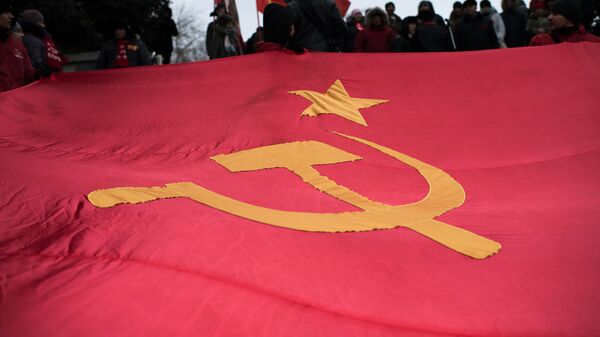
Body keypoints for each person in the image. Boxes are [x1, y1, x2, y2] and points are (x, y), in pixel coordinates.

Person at [18, 9, 67, 76]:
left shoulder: (45, 37)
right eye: (40, 22)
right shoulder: (31, 41)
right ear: (32, 22)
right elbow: (36, 63)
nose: (44, 25)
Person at [530, 0, 600, 45]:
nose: (549, 17)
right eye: (550, 13)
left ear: (569, 17)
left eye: (555, 14)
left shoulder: (594, 42)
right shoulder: (539, 41)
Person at [0, 1, 34, 92]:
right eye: (6, 12)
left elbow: (29, 74)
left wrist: (39, 74)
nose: (11, 16)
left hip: (17, 102)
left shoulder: (17, 44)